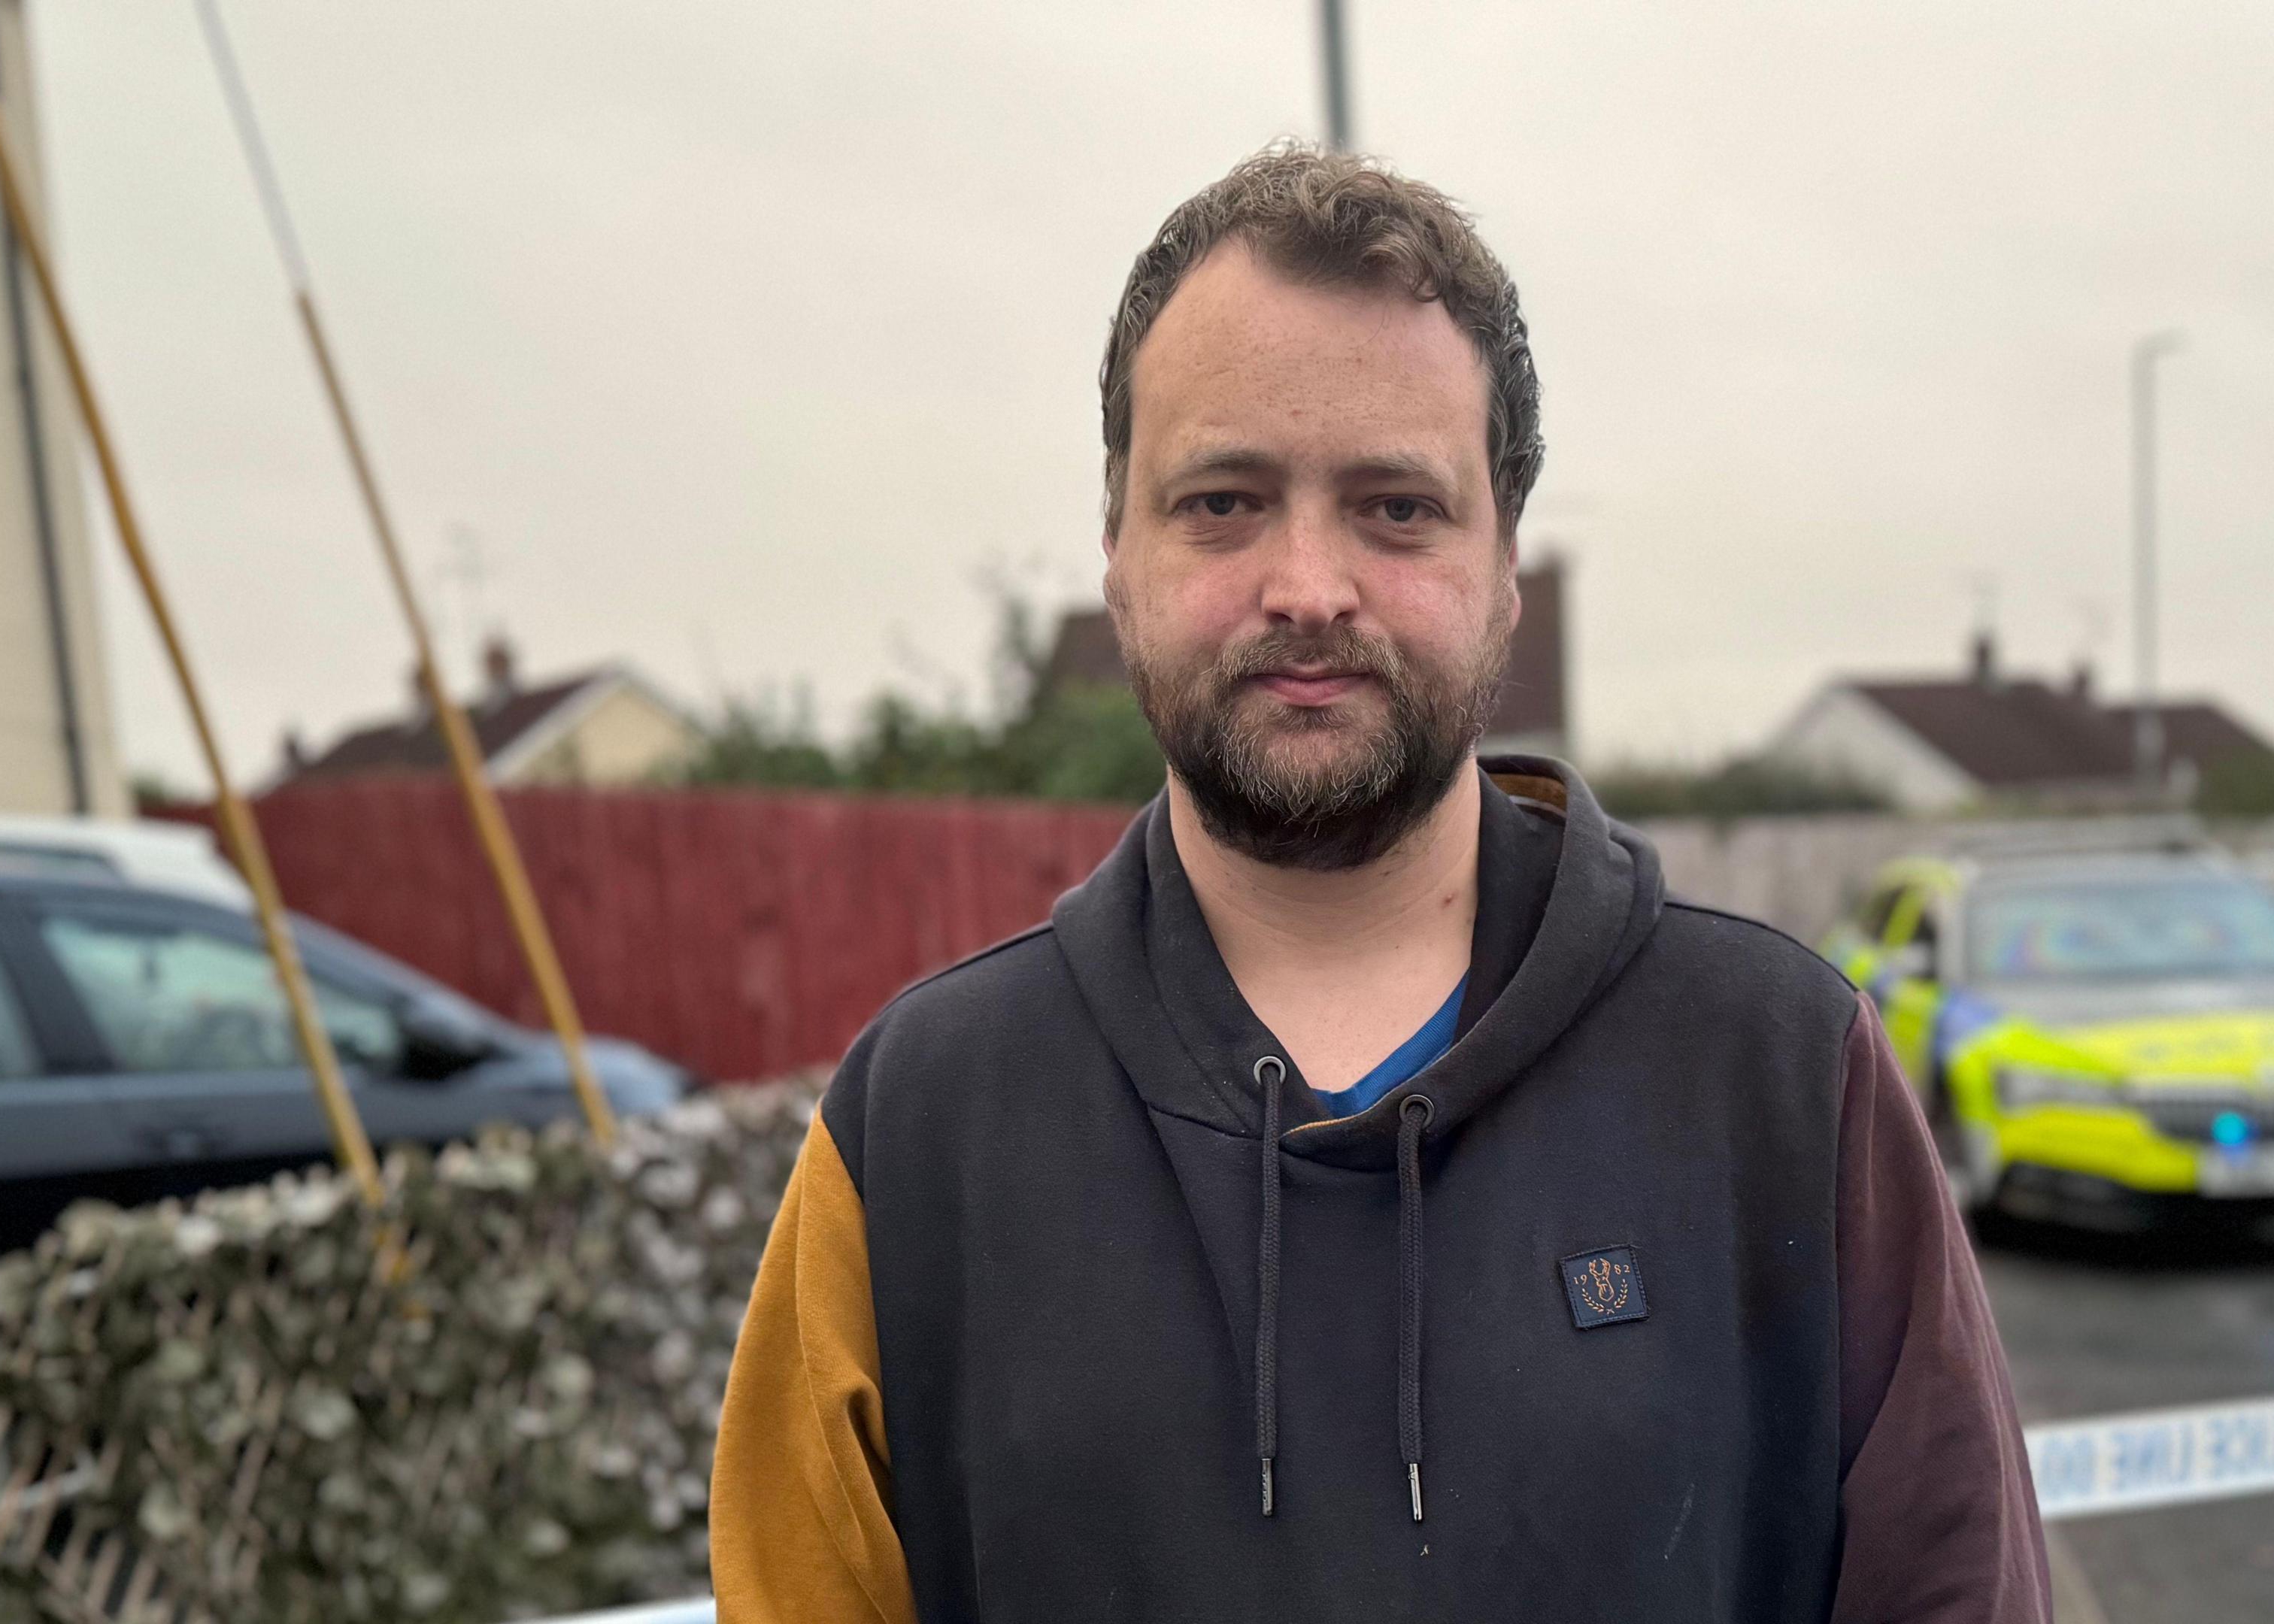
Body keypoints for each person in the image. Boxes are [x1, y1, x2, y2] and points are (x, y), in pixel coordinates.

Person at [711, 144, 2048, 1622]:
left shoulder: (1786, 1078)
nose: (1308, 584)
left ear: (1505, 563)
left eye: (1395, 507)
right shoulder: (917, 1129)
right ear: (1116, 556)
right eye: (1223, 501)